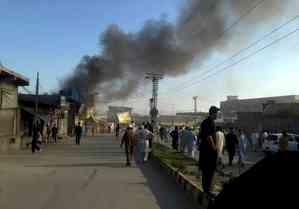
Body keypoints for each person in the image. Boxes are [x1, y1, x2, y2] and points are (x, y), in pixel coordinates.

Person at [199, 106, 219, 196]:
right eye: (217, 113)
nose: (217, 115)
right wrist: (214, 147)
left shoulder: (209, 122)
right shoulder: (208, 122)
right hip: (208, 151)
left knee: (208, 170)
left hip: (208, 150)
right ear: (213, 113)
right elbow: (208, 136)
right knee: (208, 170)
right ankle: (207, 190)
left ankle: (206, 189)